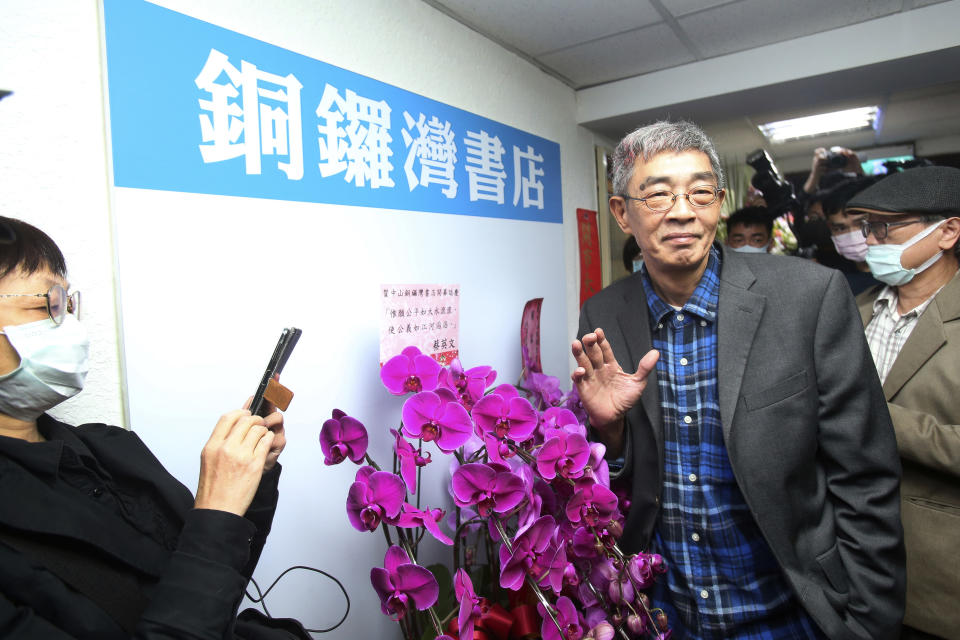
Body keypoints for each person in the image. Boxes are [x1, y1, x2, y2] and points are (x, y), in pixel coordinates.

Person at [571, 121, 905, 639]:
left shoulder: (809, 297)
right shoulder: (604, 312)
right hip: (667, 612)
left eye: (700, 192)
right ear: (621, 213)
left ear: (719, 202)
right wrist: (608, 432)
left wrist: (866, 623)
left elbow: (865, 476)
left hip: (793, 611)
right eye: (657, 195)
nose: (683, 211)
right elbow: (617, 485)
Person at [0, 216, 306, 639]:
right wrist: (215, 513)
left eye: (68, 304)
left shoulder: (112, 449)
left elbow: (214, 589)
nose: (69, 325)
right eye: (47, 304)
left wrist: (249, 478)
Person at [845, 167, 960, 640]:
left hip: (935, 575)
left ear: (948, 231)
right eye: (867, 227)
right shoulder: (854, 310)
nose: (871, 240)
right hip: (851, 561)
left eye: (887, 227)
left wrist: (874, 416)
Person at [822, 177, 881, 294]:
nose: (852, 235)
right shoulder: (835, 285)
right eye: (840, 228)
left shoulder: (910, 273)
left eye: (861, 223)